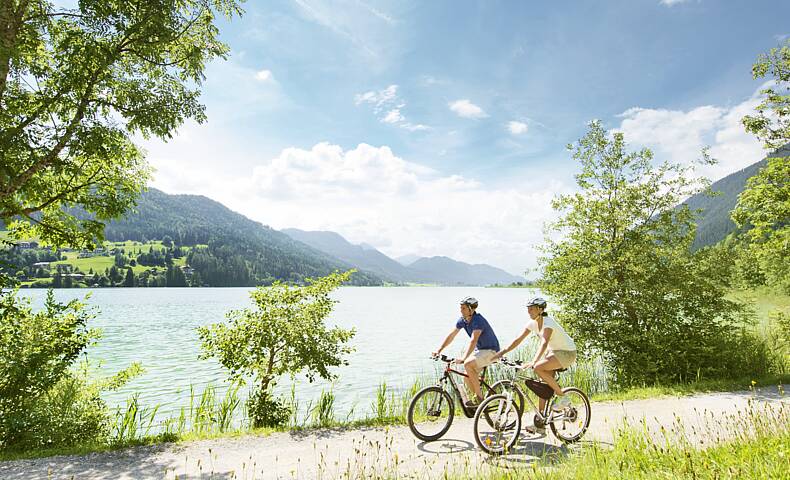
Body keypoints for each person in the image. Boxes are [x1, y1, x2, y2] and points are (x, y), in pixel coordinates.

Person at [492, 297, 576, 431]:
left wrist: (534, 361)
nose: (529, 311)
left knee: (538, 367)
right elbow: (517, 339)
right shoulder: (532, 323)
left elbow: (544, 342)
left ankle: (563, 397)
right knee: (543, 387)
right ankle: (540, 423)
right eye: (528, 309)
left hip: (567, 352)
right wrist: (502, 352)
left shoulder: (548, 323)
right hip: (554, 352)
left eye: (531, 309)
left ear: (540, 310)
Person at [432, 296, 500, 408]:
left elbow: (473, 340)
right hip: (481, 351)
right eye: (460, 308)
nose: (461, 310)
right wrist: (439, 350)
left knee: (468, 364)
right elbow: (451, 335)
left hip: (491, 351)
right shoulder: (462, 320)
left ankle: (480, 400)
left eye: (463, 308)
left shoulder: (478, 320)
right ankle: (481, 402)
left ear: (471, 309)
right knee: (466, 376)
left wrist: (463, 358)